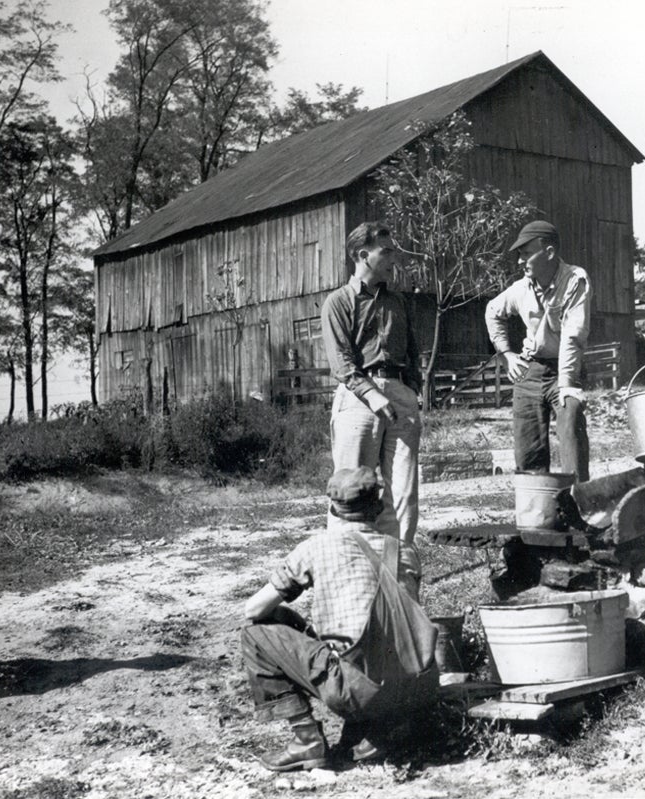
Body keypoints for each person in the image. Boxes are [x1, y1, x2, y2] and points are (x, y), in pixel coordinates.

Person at [238, 467, 438, 771]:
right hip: (417, 688)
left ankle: (306, 740)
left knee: (257, 632)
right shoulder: (406, 552)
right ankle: (376, 730)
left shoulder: (317, 547)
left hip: (358, 689)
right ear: (379, 507)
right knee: (375, 643)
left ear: (332, 509)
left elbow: (253, 610)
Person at [322, 222, 423, 543]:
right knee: (351, 490)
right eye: (387, 251)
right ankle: (348, 563)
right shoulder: (338, 302)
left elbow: (412, 351)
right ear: (364, 255)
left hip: (400, 397)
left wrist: (411, 392)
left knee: (404, 494)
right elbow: (342, 363)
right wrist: (372, 395)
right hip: (357, 400)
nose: (394, 258)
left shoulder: (398, 302)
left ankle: (397, 569)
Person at [485, 220, 592, 482]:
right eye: (519, 255)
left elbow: (573, 336)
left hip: (563, 370)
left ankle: (579, 507)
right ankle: (538, 514)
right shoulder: (521, 288)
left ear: (550, 252)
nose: (520, 262)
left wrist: (567, 384)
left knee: (570, 428)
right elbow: (492, 311)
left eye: (525, 254)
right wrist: (506, 355)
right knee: (527, 449)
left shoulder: (575, 280)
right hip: (529, 370)